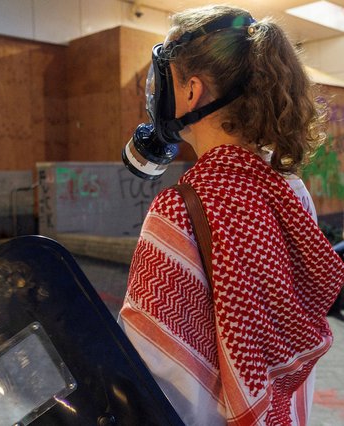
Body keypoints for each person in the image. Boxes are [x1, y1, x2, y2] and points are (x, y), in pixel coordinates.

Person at [118, 5, 344, 425]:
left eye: (166, 78)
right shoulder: (291, 191)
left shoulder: (178, 211)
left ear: (192, 91)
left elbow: (150, 380)